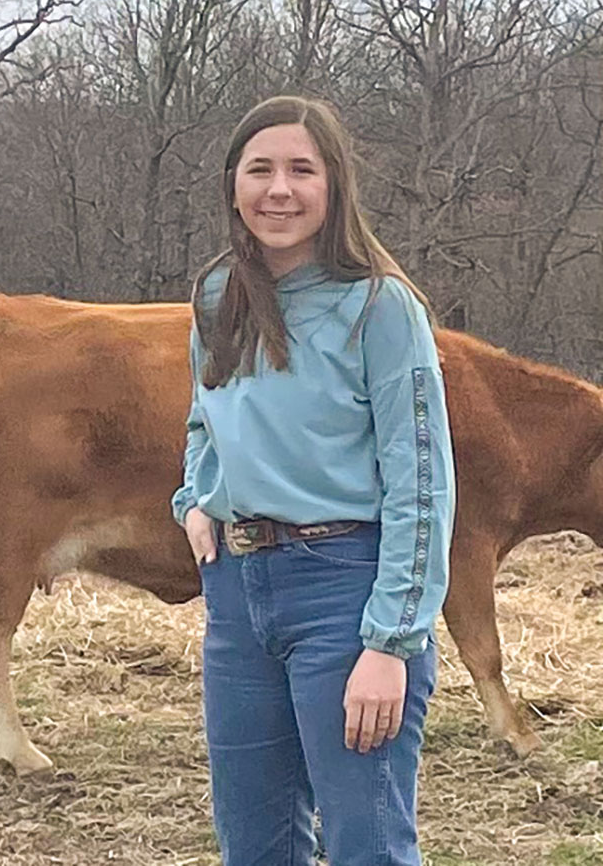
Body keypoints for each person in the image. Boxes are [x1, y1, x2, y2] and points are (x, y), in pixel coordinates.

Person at [170, 95, 455, 865]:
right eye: (259, 169)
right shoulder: (216, 297)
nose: (279, 190)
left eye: (302, 169)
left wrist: (391, 640)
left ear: (335, 186)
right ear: (233, 183)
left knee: (367, 845)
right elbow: (206, 415)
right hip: (238, 598)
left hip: (347, 594)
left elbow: (422, 483)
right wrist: (194, 497)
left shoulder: (380, 308)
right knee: (254, 848)